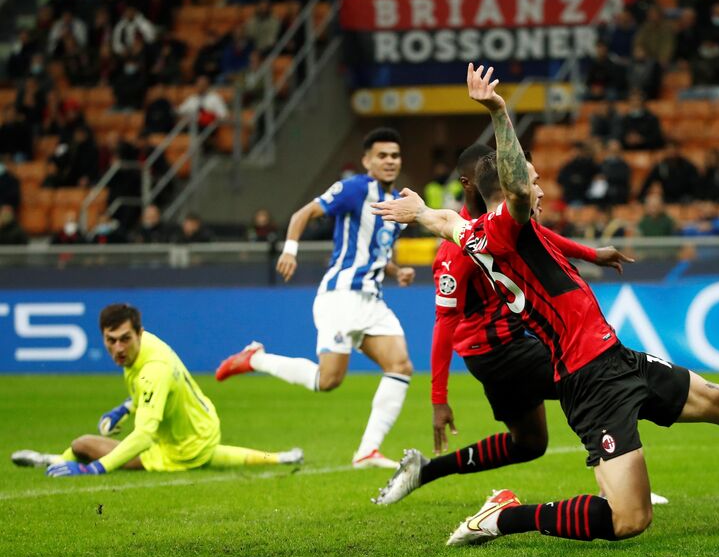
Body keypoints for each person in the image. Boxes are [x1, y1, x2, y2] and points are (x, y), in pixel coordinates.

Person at [373, 64, 719, 546]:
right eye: (533, 179)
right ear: (510, 191)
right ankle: (501, 516)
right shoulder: (510, 227)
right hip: (587, 381)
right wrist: (499, 112)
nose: (538, 185)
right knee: (629, 519)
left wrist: (419, 209)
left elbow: (446, 221)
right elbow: (509, 180)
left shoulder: (475, 235)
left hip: (614, 359)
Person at [373, 144, 632, 506]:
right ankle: (617, 484)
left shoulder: (501, 221)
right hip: (499, 353)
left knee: (529, 444)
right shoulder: (455, 249)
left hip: (511, 346)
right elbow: (444, 323)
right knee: (589, 383)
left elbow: (542, 238)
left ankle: (424, 470)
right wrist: (438, 400)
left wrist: (591, 254)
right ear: (469, 183)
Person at [215, 128, 415, 469]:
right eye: (382, 155)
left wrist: (397, 272)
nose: (389, 161)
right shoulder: (354, 189)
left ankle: (367, 451)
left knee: (400, 366)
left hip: (371, 300)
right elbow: (302, 214)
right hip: (341, 298)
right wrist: (290, 250)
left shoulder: (397, 203)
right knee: (328, 381)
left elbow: (376, 251)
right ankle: (256, 359)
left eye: (394, 156)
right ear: (367, 161)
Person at [11, 304, 303, 476]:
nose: (118, 348)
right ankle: (280, 457)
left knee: (83, 445)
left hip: (178, 448)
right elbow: (151, 393)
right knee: (211, 454)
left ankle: (51, 460)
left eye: (125, 339)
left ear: (139, 332)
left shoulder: (154, 370)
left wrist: (94, 470)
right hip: (200, 424)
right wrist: (124, 408)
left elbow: (144, 435)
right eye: (110, 340)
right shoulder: (145, 347)